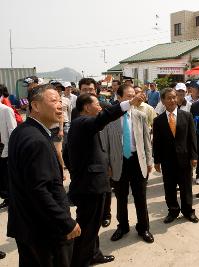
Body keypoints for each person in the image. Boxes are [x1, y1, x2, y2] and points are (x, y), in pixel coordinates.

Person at [7, 84, 81, 266]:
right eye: (53, 100)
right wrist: (66, 222)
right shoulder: (36, 140)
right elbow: (39, 190)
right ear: (36, 106)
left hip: (27, 224)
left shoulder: (22, 131)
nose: (60, 105)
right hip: (44, 229)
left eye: (60, 100)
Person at [66, 92, 142, 266]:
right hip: (90, 186)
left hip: (92, 182)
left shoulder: (82, 125)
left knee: (93, 226)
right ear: (86, 107)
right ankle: (81, 260)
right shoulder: (83, 122)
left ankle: (93, 253)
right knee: (87, 227)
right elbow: (104, 117)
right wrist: (129, 103)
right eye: (96, 104)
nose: (100, 107)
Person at [104, 84, 154, 243]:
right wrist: (108, 166)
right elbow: (105, 145)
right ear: (119, 98)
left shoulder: (140, 115)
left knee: (141, 196)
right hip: (118, 163)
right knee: (121, 197)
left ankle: (143, 228)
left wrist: (149, 160)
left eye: (135, 94)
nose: (134, 99)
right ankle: (122, 226)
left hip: (137, 161)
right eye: (129, 96)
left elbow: (147, 141)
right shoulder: (109, 118)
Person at [153, 88, 199, 224]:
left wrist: (194, 156)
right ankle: (173, 211)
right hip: (167, 161)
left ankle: (188, 211)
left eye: (174, 97)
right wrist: (157, 161)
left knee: (186, 187)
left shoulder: (187, 116)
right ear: (163, 101)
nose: (172, 100)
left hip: (185, 159)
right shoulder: (158, 121)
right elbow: (157, 143)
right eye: (169, 98)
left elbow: (192, 138)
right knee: (169, 188)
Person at [0, 102, 17, 210]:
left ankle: (11, 199)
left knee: (6, 176)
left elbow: (13, 131)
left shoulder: (6, 110)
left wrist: (13, 150)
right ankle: (7, 196)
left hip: (5, 148)